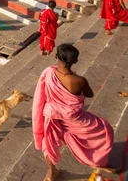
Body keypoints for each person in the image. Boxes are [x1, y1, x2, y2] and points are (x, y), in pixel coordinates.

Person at [32, 44, 117, 181]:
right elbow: (89, 94)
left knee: (48, 142)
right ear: (75, 61)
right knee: (105, 129)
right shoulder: (79, 80)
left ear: (55, 56)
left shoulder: (48, 72)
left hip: (53, 115)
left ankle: (51, 172)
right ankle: (99, 162)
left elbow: (40, 94)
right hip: (74, 118)